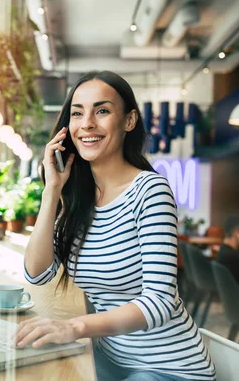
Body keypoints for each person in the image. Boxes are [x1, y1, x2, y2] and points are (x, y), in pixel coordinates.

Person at [14, 71, 215, 380]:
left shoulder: (150, 191)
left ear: (129, 120)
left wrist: (74, 327)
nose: (87, 123)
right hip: (113, 359)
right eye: (77, 113)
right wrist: (51, 190)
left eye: (102, 110)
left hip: (168, 369)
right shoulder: (79, 198)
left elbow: (160, 301)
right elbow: (37, 273)